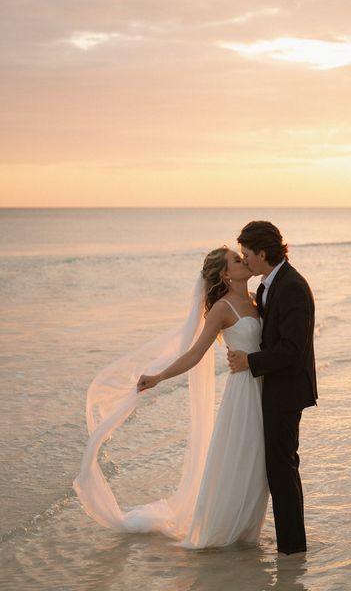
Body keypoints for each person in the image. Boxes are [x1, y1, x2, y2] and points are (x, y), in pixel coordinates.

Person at [74, 246, 268, 549]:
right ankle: (221, 534)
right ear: (225, 274)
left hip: (264, 388)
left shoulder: (258, 301)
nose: (243, 260)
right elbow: (194, 353)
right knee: (242, 460)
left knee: (259, 465)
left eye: (242, 256)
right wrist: (159, 376)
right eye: (235, 259)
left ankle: (247, 533)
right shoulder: (222, 308)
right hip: (242, 393)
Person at [228, 221, 317, 555]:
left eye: (246, 254)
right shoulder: (270, 283)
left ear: (262, 253)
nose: (244, 260)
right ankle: (289, 544)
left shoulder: (291, 286)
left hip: (286, 390)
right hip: (273, 386)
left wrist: (250, 362)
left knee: (282, 468)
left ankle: (292, 551)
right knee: (277, 467)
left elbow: (293, 348)